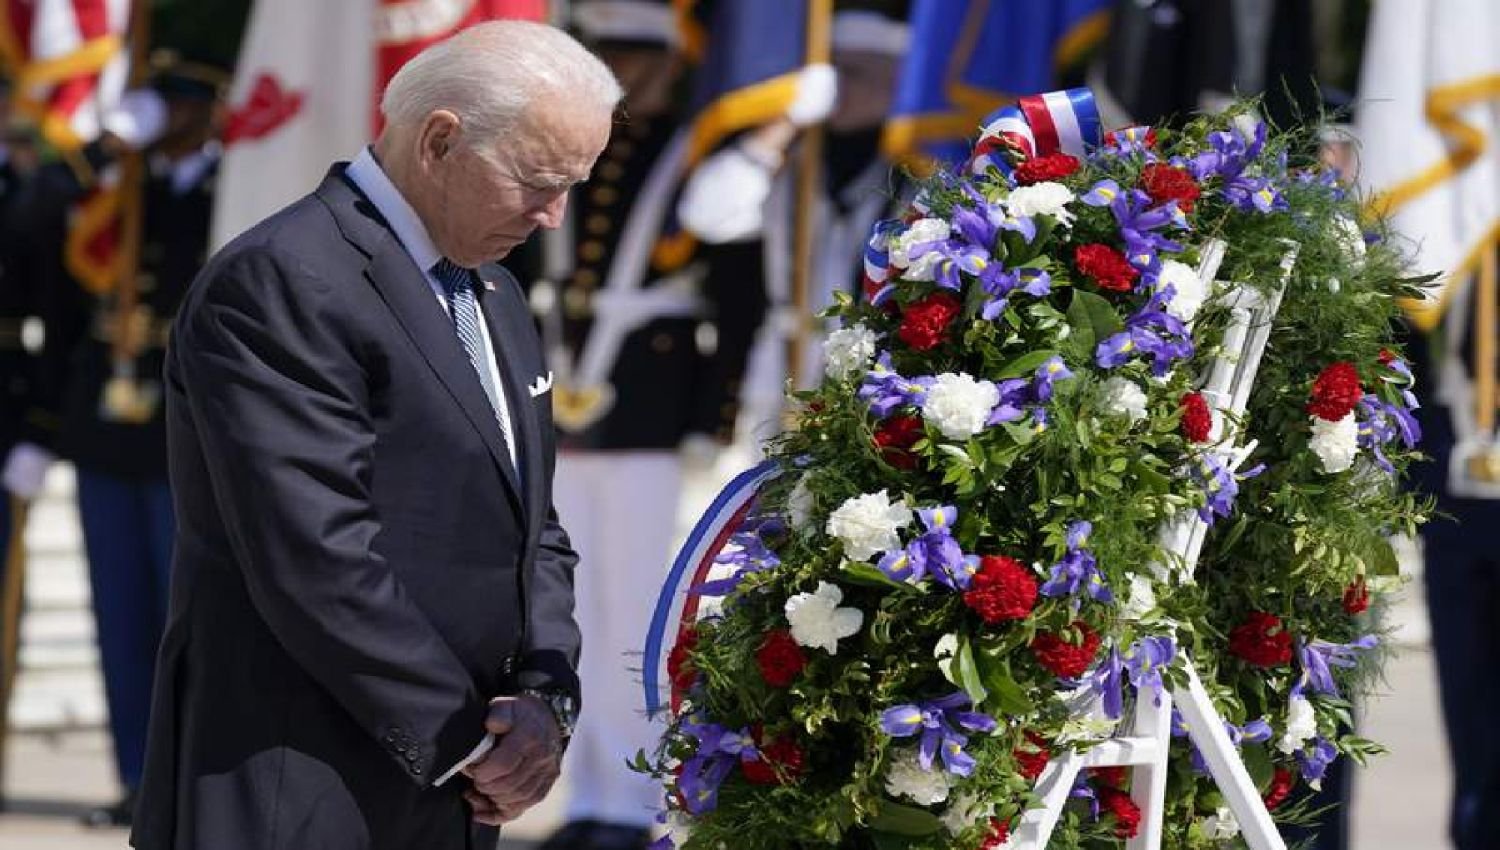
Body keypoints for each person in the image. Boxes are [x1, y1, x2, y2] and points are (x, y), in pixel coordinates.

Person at [128, 21, 617, 850]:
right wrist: (466, 741)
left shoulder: (491, 292)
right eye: (537, 180)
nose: (553, 214)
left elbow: (532, 527)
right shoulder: (285, 279)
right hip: (301, 778)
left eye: (573, 184)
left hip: (455, 784)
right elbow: (314, 554)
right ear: (439, 141)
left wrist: (544, 697)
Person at [516, 4, 766, 849]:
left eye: (641, 53)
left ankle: (638, 804)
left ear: (674, 60)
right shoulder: (570, 155)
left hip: (657, 410)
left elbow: (740, 306)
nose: (625, 69)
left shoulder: (694, 159)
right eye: (610, 52)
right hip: (569, 396)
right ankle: (587, 799)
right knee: (572, 612)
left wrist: (712, 415)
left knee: (644, 617)